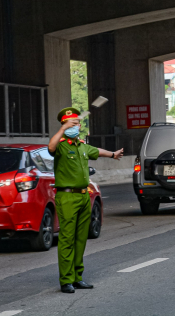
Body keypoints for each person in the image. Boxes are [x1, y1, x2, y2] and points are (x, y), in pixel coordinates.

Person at [49, 107, 124, 294]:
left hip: (84, 195)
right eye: (71, 123)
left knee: (81, 238)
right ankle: (66, 280)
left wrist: (113, 154)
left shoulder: (81, 145)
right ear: (64, 125)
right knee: (67, 238)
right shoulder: (62, 145)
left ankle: (77, 277)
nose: (76, 126)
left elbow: (96, 151)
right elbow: (50, 147)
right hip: (67, 196)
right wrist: (62, 129)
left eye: (76, 123)